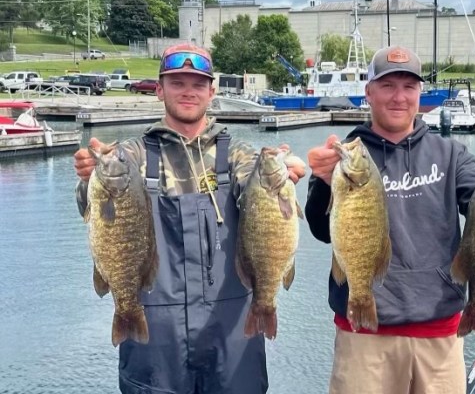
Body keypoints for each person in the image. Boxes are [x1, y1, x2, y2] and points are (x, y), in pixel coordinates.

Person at [305, 45, 475, 394]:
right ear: (368, 92)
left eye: (409, 86)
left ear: (420, 93)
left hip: (440, 335)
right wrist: (325, 182)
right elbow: (321, 230)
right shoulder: (342, 157)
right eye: (387, 85)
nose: (399, 97)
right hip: (363, 334)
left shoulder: (451, 154)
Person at [73, 43, 305, 394]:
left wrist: (284, 173)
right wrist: (88, 177)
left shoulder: (239, 154)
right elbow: (95, 214)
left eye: (198, 84)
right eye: (177, 83)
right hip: (156, 336)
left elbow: (259, 190)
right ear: (159, 89)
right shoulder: (131, 155)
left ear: (211, 91)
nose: (188, 92)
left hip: (232, 336)